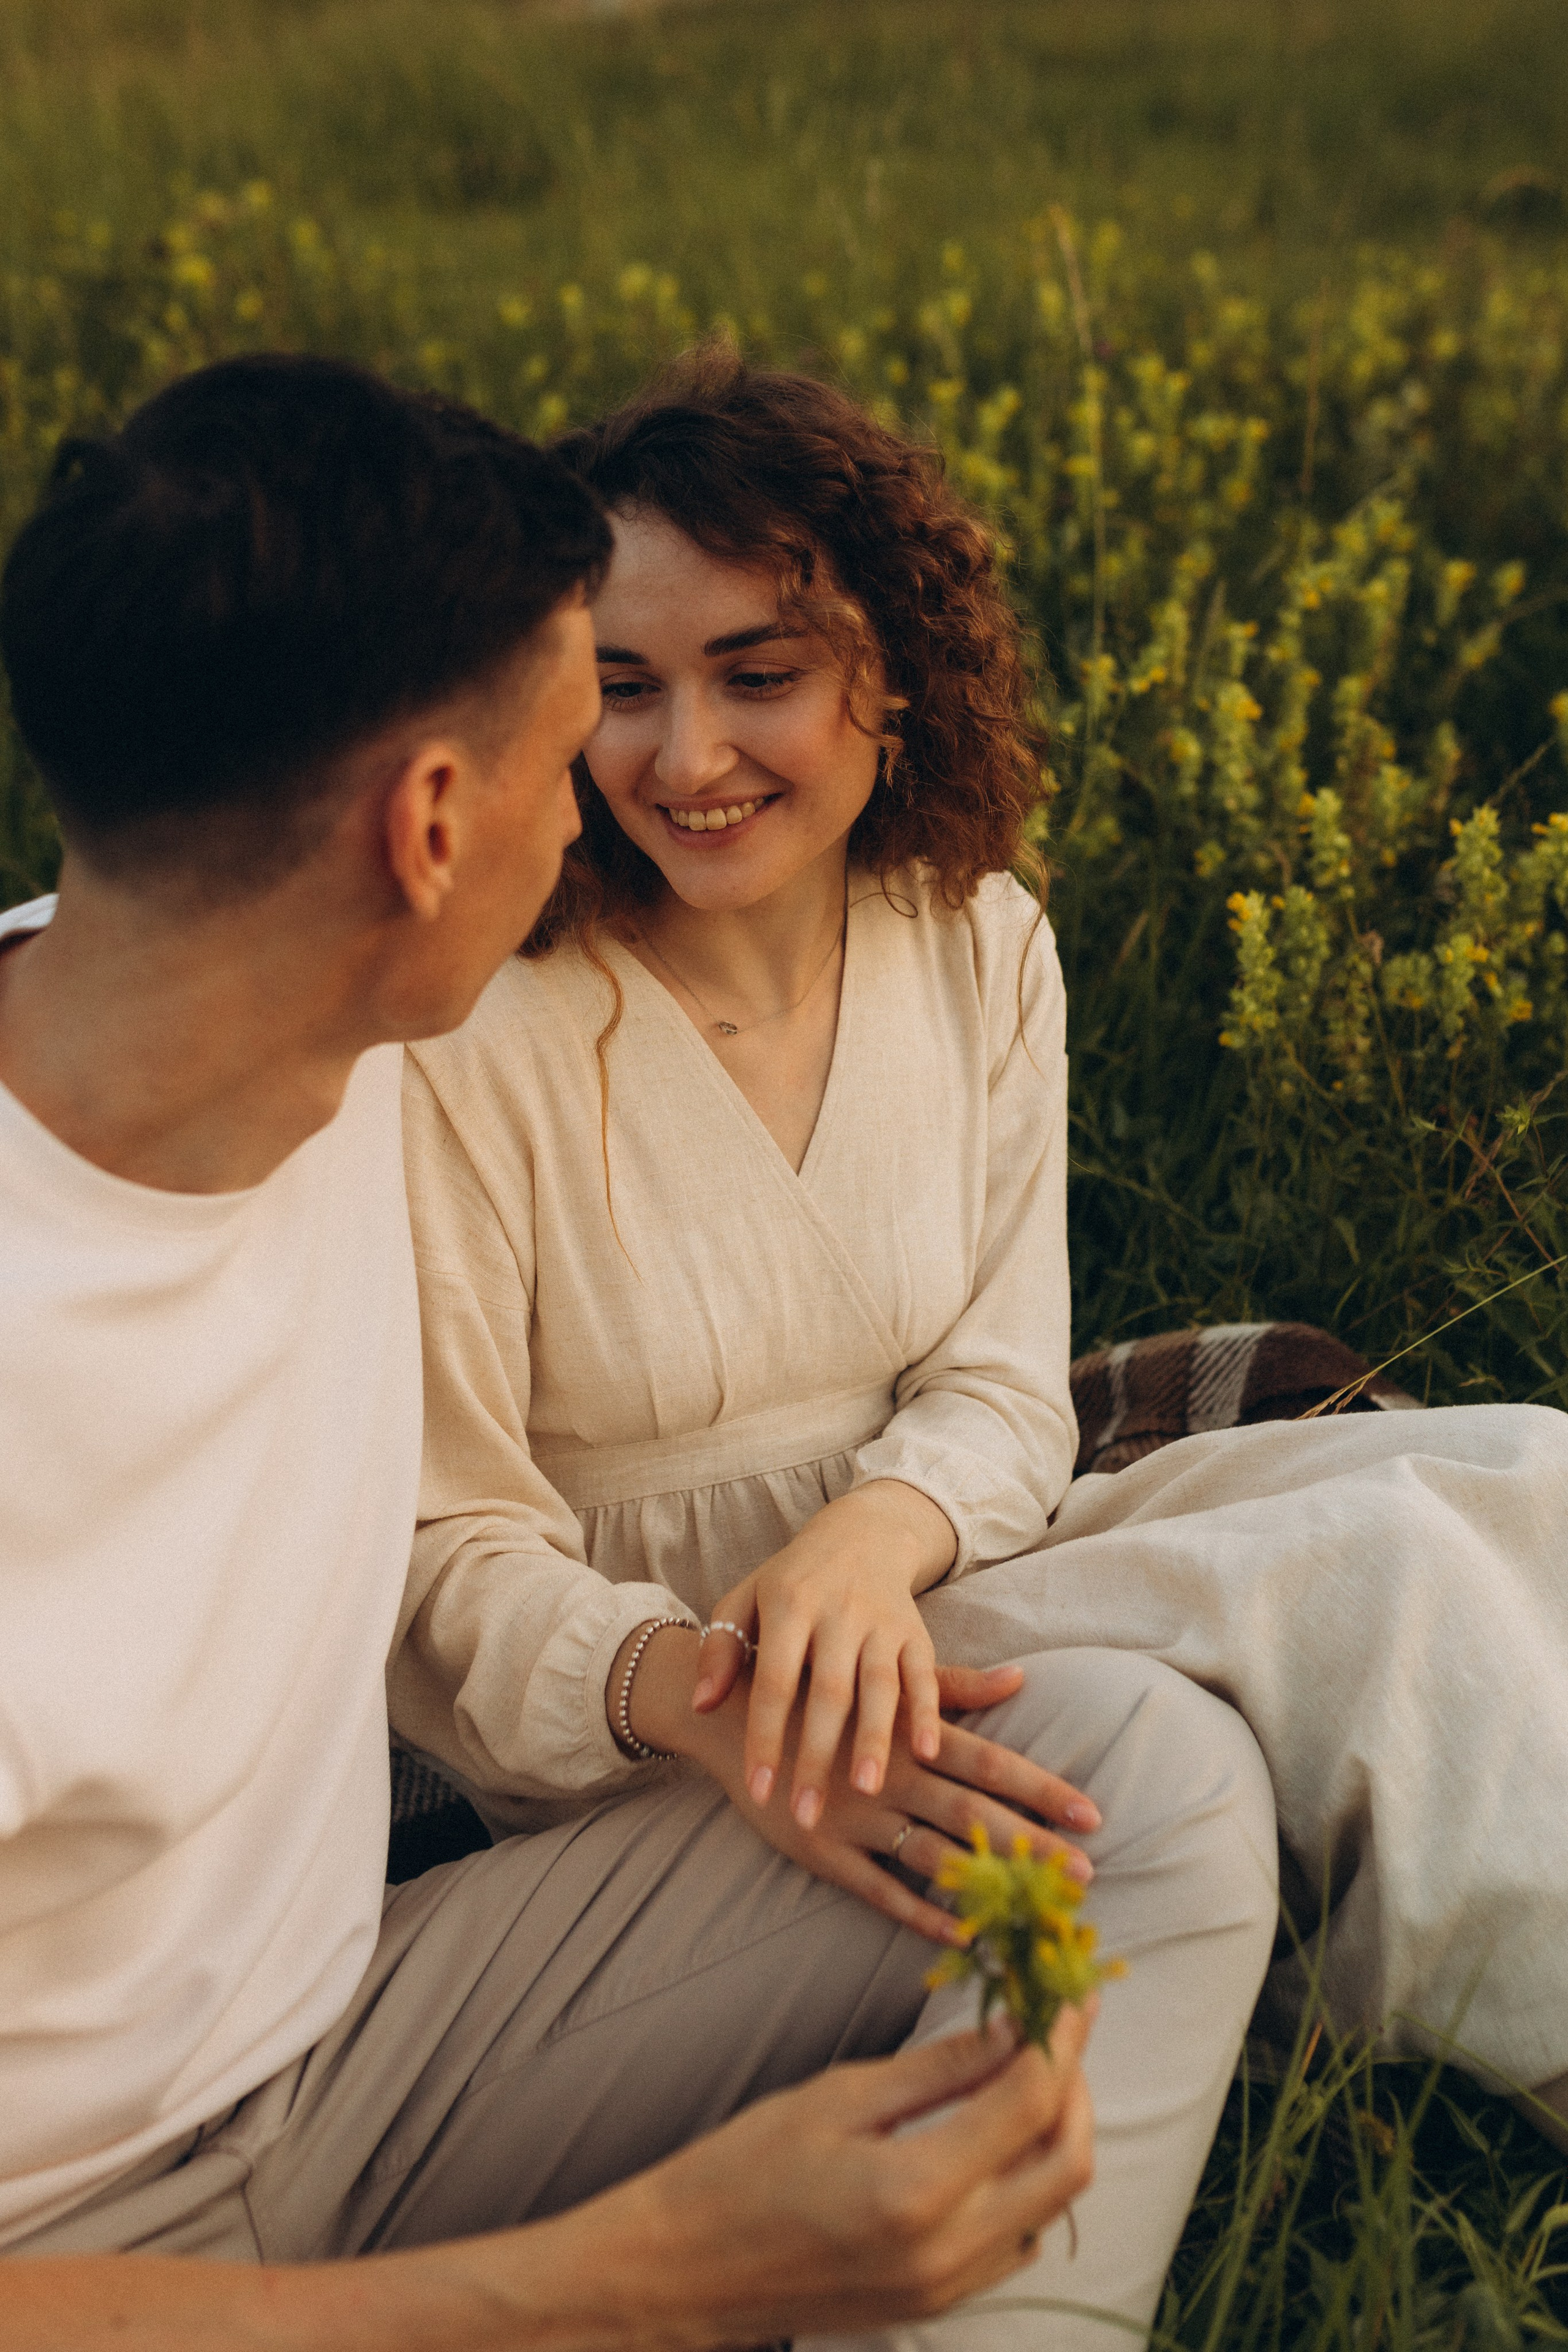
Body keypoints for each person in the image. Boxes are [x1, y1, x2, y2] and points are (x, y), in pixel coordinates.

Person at [0, 353, 1276, 2351]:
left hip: (366, 2047)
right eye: (583, 710)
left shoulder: (308, 1042)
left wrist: (732, 1673)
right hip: (76, 2253)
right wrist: (629, 2280)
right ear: (435, 827)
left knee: (1142, 1784)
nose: (644, 781)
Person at [393, 347, 1568, 2218]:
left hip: (934, 1559)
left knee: (1531, 1478)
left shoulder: (977, 938)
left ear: (895, 675)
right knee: (1381, 1584)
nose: (685, 759)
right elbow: (436, 1549)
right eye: (621, 690)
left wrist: (878, 1534)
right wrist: (683, 1675)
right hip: (671, 1697)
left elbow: (1009, 1382)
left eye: (757, 676)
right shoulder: (473, 1032)